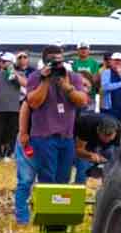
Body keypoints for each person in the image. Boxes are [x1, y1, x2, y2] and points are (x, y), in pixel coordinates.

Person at [27, 45, 89, 183]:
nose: (58, 65)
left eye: (60, 62)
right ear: (45, 62)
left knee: (63, 179)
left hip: (66, 137)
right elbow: (33, 103)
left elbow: (82, 102)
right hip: (43, 137)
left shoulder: (73, 77)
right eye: (54, 62)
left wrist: (67, 87)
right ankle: (47, 205)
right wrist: (45, 80)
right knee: (47, 178)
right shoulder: (35, 77)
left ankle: (59, 204)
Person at [0, 53, 23, 164]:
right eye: (2, 61)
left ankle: (9, 154)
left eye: (6, 61)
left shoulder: (19, 73)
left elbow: (25, 84)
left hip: (14, 109)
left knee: (12, 132)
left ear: (12, 62)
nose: (3, 63)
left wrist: (14, 73)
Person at [73, 111, 120, 183]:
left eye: (109, 137)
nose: (107, 140)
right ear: (98, 130)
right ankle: (81, 186)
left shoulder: (120, 132)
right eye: (104, 137)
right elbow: (78, 150)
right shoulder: (86, 125)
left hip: (107, 147)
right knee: (83, 165)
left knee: (113, 165)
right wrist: (90, 155)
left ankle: (107, 187)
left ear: (115, 133)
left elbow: (120, 157)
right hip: (86, 140)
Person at [13, 101, 36, 225]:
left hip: (50, 143)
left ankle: (43, 215)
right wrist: (23, 133)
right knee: (26, 180)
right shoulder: (39, 88)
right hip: (29, 139)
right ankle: (22, 219)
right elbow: (26, 105)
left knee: (48, 182)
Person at [99, 53, 121, 121]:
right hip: (110, 109)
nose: (117, 62)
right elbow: (105, 87)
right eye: (115, 60)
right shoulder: (106, 72)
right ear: (111, 61)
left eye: (119, 60)